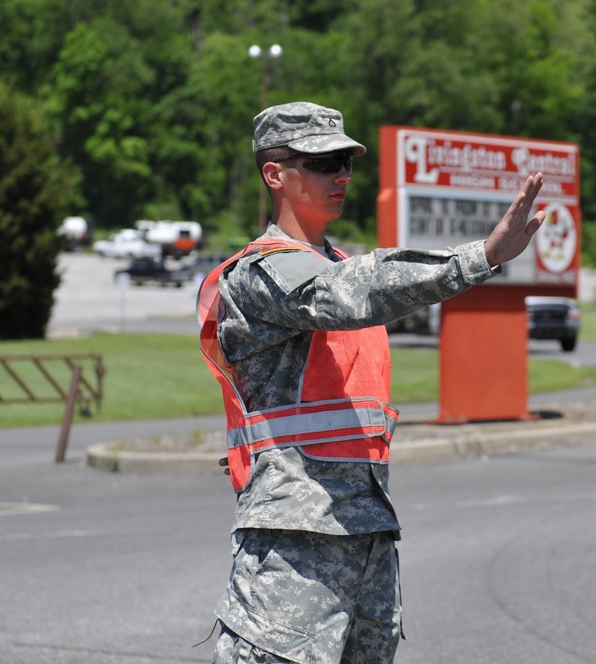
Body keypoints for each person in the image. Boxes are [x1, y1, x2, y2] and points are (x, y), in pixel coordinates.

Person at [197, 101, 545, 664]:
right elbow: (350, 290)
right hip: (294, 542)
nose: (342, 175)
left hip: (367, 532)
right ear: (275, 174)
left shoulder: (331, 265)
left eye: (346, 162)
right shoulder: (260, 274)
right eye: (323, 161)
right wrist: (479, 256)